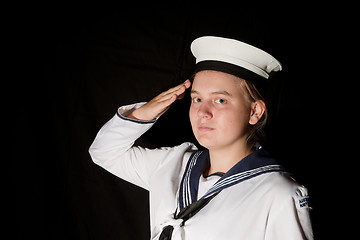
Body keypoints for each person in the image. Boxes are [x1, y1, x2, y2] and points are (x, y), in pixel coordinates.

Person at [89, 36, 313, 239]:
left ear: (254, 111)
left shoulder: (279, 193)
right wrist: (142, 113)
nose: (203, 113)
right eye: (196, 99)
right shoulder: (171, 164)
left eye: (220, 100)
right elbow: (103, 152)